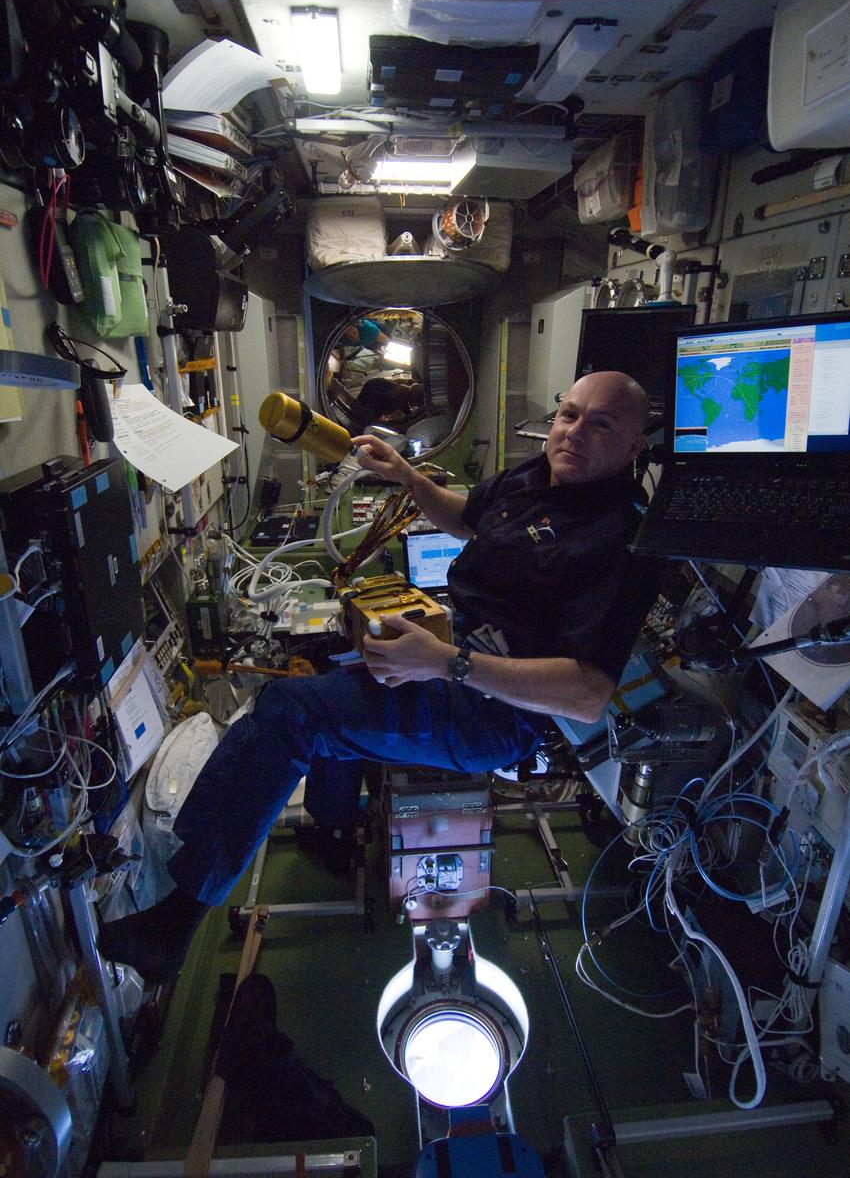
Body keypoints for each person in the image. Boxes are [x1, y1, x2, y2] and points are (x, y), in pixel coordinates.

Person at [99, 371, 656, 981]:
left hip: (494, 712)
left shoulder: (623, 538)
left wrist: (446, 663)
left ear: (634, 446)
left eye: (600, 423)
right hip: (453, 655)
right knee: (321, 662)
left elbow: (586, 695)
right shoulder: (534, 477)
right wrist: (407, 478)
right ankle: (330, 828)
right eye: (568, 413)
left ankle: (177, 921)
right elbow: (469, 517)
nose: (573, 432)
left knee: (294, 710)